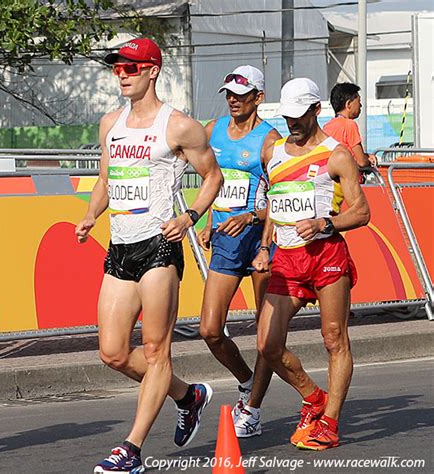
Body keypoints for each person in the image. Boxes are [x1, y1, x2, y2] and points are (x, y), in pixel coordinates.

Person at [75, 38, 223, 473]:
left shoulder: (178, 126)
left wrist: (191, 216)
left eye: (130, 68)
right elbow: (107, 178)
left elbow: (211, 176)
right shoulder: (110, 124)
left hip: (160, 246)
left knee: (157, 350)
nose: (121, 74)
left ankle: (131, 450)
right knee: (113, 353)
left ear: (152, 71)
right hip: (120, 247)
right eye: (117, 69)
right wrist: (90, 215)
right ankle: (188, 395)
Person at [253, 78, 370, 450]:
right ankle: (313, 396)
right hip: (287, 259)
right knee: (267, 344)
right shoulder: (272, 153)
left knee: (334, 338)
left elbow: (362, 211)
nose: (292, 123)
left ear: (316, 110)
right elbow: (275, 199)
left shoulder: (337, 154)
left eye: (299, 115)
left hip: (326, 255)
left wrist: (325, 223)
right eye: (287, 116)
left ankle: (330, 423)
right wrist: (265, 243)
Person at [198, 65, 281, 438]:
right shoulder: (212, 130)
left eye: (240, 93)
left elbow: (282, 200)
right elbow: (206, 178)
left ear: (258, 98)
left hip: (261, 237)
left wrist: (251, 216)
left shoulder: (270, 140)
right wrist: (201, 216)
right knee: (210, 330)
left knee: (266, 336)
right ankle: (247, 381)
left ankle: (253, 409)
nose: (233, 98)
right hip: (226, 239)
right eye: (228, 92)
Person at [323, 82, 377, 169]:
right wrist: (369, 159)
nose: (361, 105)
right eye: (359, 101)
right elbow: (361, 161)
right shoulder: (349, 125)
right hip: (348, 179)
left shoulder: (327, 126)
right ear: (348, 104)